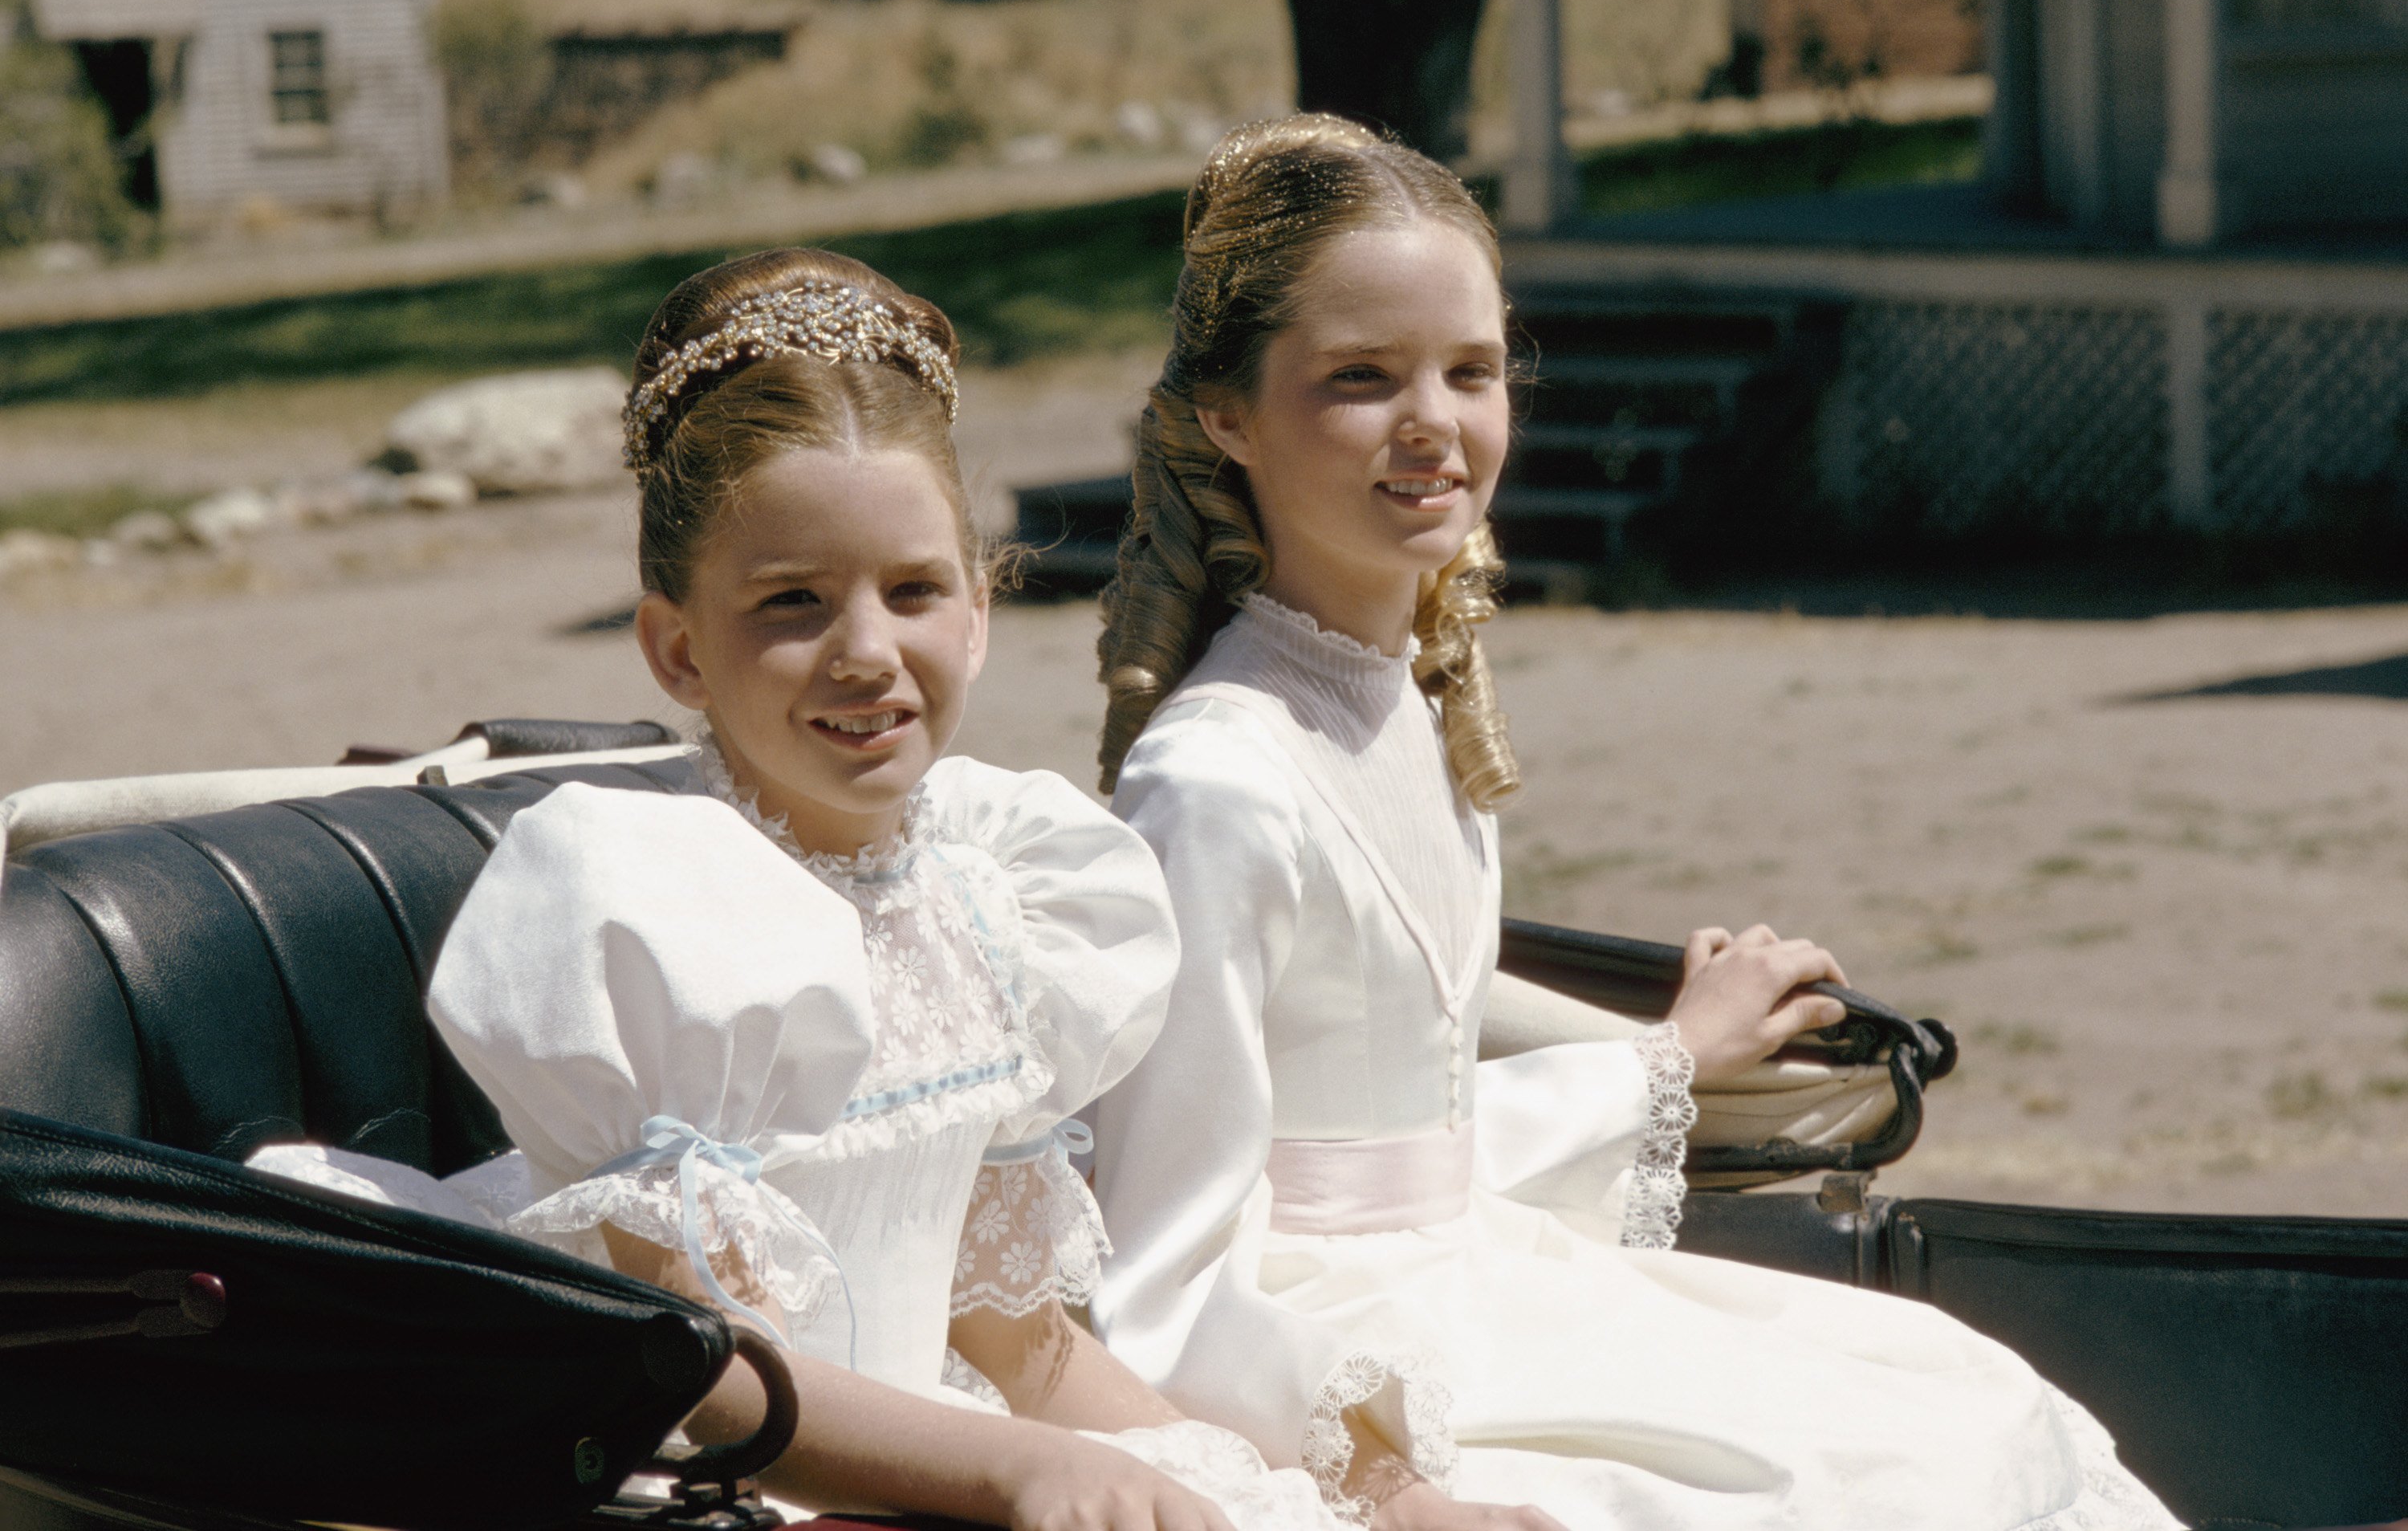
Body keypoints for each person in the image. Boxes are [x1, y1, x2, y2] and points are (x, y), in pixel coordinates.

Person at [1084, 116, 2182, 1531]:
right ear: (1227, 414)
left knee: (1967, 1398)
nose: (1434, 422)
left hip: (1471, 1267)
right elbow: (1177, 1266)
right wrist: (1382, 1479)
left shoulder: (1390, 703)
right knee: (1854, 1478)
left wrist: (1666, 1043)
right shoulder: (1215, 779)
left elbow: (1411, 1016)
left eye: (1470, 372)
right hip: (1357, 1356)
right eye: (1361, 379)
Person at [251, 249, 1344, 1531]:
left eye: (916, 591)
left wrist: (1264, 1484)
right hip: (695, 1476)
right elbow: (695, 1375)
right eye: (792, 603)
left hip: (922, 1452)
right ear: (678, 648)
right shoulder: (647, 907)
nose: (867, 652)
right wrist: (1012, 1468)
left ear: (980, 612)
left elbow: (1018, 1345)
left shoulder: (999, 902)